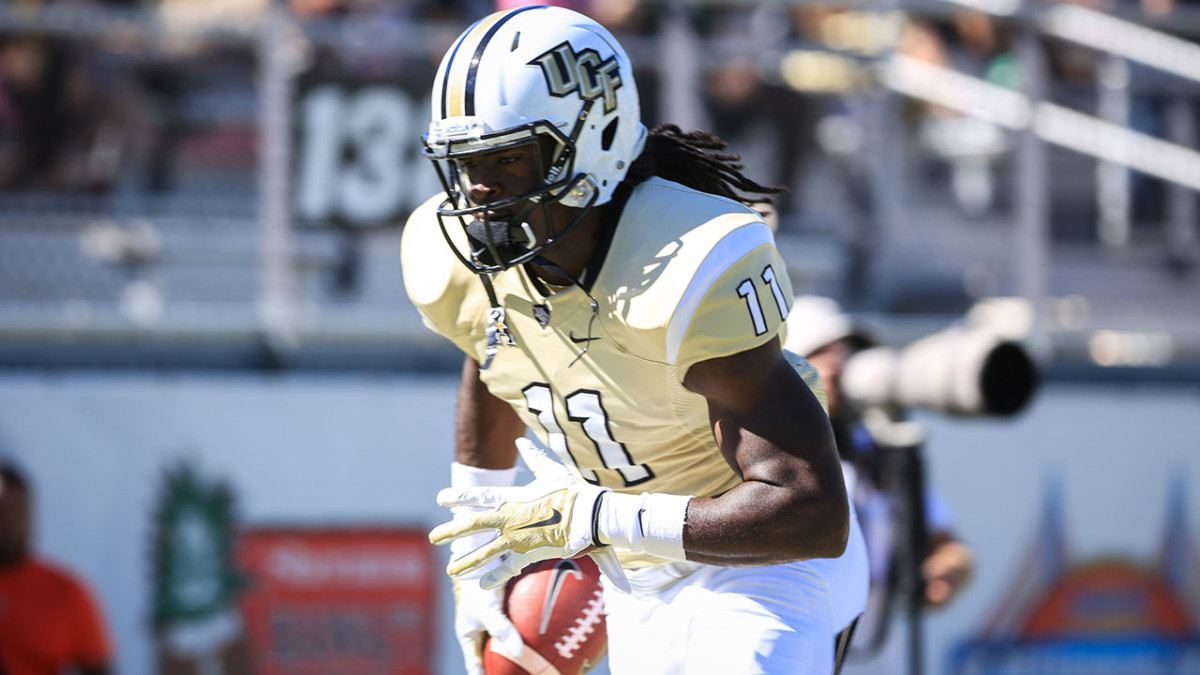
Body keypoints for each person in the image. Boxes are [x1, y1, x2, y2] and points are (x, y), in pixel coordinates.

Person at [400, 6, 868, 674]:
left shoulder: (686, 257)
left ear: (591, 140)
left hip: (766, 565)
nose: (480, 192)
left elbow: (809, 508)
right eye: (467, 163)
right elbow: (495, 353)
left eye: (507, 157)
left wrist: (598, 515)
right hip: (632, 573)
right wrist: (479, 557)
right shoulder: (454, 255)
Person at [784, 296, 974, 655]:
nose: (841, 365)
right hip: (797, 653)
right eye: (823, 351)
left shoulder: (879, 451)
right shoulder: (769, 455)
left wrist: (944, 574)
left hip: (876, 656)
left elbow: (950, 546)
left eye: (849, 351)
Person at [0, 461, 112, 675]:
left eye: (15, 510)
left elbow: (99, 668)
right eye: (0, 510)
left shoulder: (67, 592)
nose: (6, 521)